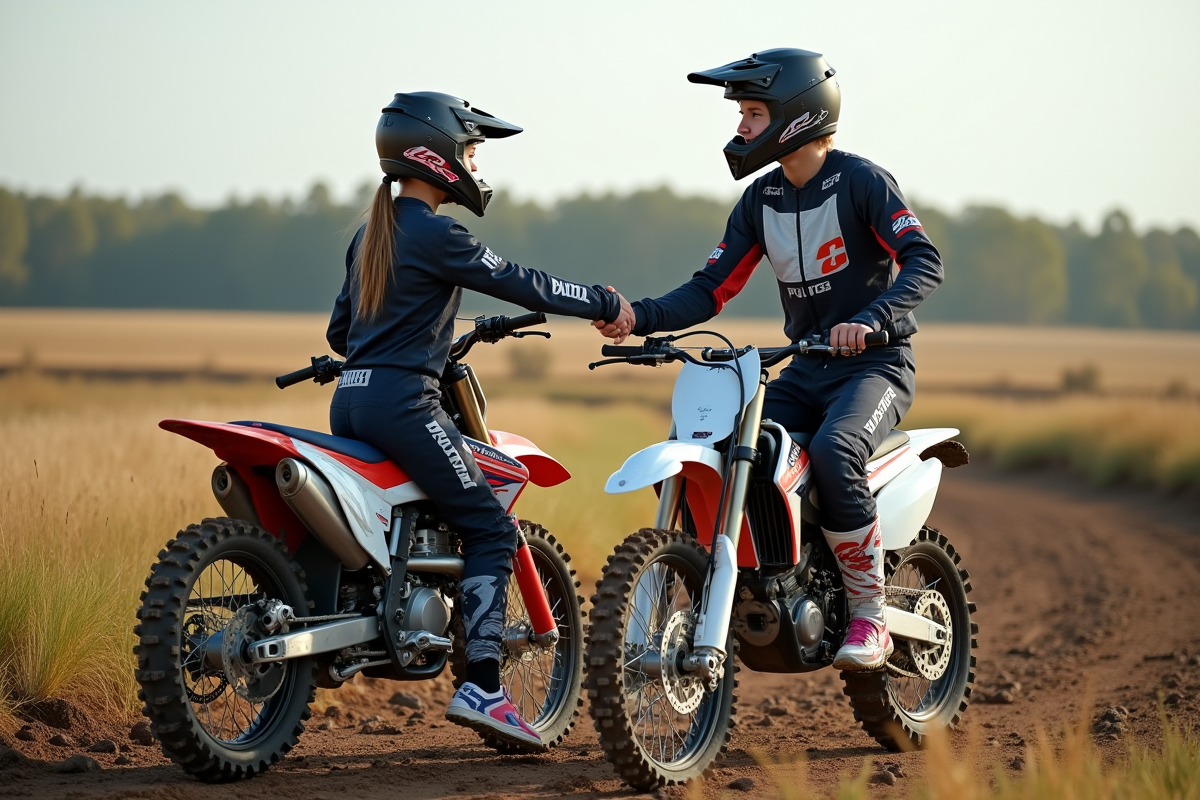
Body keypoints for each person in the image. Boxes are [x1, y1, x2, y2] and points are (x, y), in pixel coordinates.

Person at [596, 49, 943, 671]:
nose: (740, 129)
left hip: (875, 367)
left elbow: (923, 259)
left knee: (836, 453)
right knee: (736, 450)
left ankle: (869, 613)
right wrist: (638, 317)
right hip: (805, 370)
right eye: (742, 116)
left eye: (752, 114)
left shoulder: (862, 181)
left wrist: (871, 321)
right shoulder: (763, 200)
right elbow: (710, 289)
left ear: (796, 116)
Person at [326, 91, 634, 748]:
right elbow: (527, 284)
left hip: (350, 397)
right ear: (438, 155)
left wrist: (396, 340)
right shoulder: (439, 234)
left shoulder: (368, 235)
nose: (475, 162)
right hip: (404, 405)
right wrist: (602, 299)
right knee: (491, 529)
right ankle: (483, 687)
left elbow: (339, 333)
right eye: (471, 149)